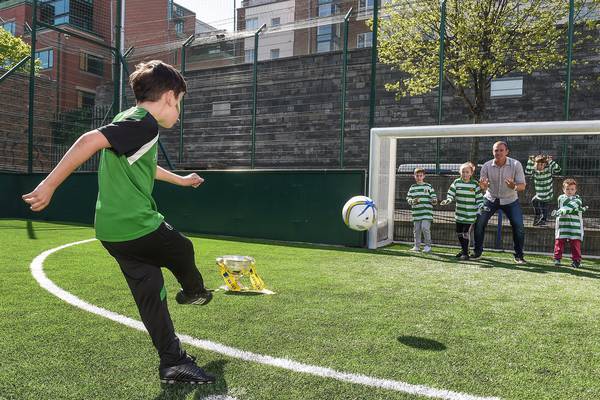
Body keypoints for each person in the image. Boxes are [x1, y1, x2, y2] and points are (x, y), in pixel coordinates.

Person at [22, 60, 216, 385]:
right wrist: (49, 184)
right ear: (169, 97)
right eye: (179, 103)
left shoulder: (127, 121)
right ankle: (194, 291)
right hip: (136, 225)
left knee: (151, 294)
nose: (178, 112)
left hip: (112, 233)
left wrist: (181, 181)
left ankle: (173, 363)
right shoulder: (145, 124)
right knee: (181, 248)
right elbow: (87, 141)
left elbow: (144, 164)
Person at [473, 141, 527, 264]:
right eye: (496, 150)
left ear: (507, 152)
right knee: (479, 222)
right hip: (490, 198)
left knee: (519, 226)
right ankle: (477, 252)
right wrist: (483, 186)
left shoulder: (516, 164)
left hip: (510, 199)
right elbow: (483, 187)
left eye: (501, 150)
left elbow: (522, 186)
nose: (498, 153)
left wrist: (514, 186)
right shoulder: (486, 166)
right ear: (493, 152)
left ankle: (519, 255)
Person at [440, 162, 484, 260]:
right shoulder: (456, 182)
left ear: (471, 173)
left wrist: (481, 205)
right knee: (459, 233)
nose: (465, 174)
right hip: (459, 214)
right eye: (463, 172)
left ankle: (465, 253)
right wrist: (448, 200)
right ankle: (464, 249)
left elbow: (479, 198)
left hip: (470, 215)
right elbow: (451, 194)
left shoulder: (475, 184)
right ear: (460, 172)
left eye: (467, 172)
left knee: (465, 233)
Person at [553, 178, 587, 268]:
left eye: (572, 189)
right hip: (562, 225)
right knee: (559, 241)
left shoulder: (578, 199)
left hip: (575, 226)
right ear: (563, 189)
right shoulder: (561, 198)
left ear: (575, 190)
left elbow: (575, 204)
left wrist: (562, 211)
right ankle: (557, 258)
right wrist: (578, 209)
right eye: (567, 189)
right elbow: (569, 204)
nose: (569, 191)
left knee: (575, 243)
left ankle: (576, 260)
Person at [406, 168, 437, 253]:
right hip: (416, 213)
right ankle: (417, 246)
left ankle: (428, 246)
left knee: (425, 228)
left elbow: (434, 197)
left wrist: (434, 200)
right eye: (417, 175)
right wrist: (413, 201)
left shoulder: (428, 186)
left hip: (427, 213)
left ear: (424, 176)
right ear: (414, 176)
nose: (419, 177)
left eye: (420, 175)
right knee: (416, 230)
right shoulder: (412, 187)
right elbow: (408, 199)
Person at [525, 154, 561, 226]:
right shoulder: (535, 171)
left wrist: (551, 162)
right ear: (535, 164)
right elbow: (527, 171)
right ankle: (538, 215)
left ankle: (543, 219)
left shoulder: (548, 170)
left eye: (542, 164)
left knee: (543, 206)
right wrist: (530, 161)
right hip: (539, 194)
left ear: (545, 164)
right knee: (534, 201)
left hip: (547, 194)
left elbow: (558, 169)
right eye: (538, 164)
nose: (540, 166)